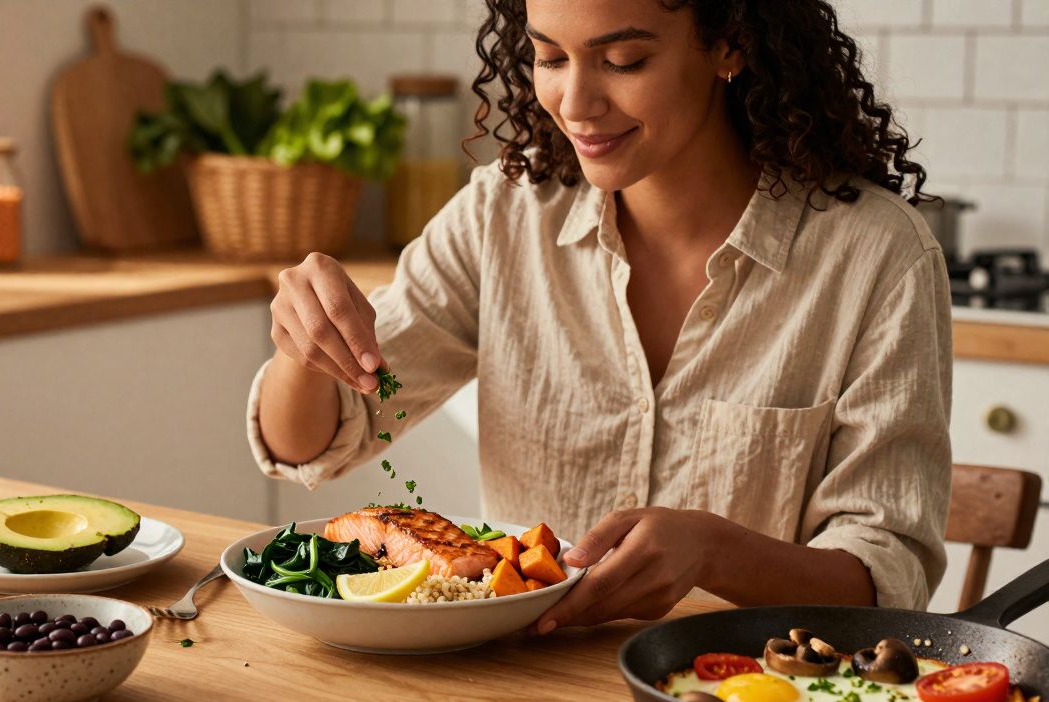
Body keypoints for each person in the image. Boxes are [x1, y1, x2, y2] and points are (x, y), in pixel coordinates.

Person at [246, 0, 951, 633]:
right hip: (515, 694)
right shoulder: (505, 213)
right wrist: (301, 349)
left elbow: (886, 582)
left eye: (623, 61)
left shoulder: (876, 255)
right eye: (549, 56)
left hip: (749, 701)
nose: (575, 101)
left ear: (730, 44)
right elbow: (313, 440)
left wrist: (714, 551)